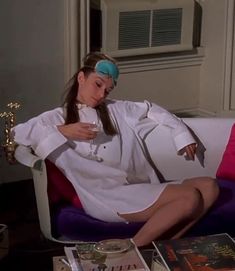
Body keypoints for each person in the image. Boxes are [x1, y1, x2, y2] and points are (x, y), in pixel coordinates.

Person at [12, 52, 219, 247]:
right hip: (105, 195)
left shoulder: (116, 109)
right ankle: (132, 247)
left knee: (210, 187)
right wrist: (63, 131)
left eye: (107, 90)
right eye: (98, 84)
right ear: (81, 78)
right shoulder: (57, 117)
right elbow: (17, 134)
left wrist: (180, 134)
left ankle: (163, 245)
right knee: (190, 197)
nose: (101, 94)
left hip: (133, 185)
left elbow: (151, 108)